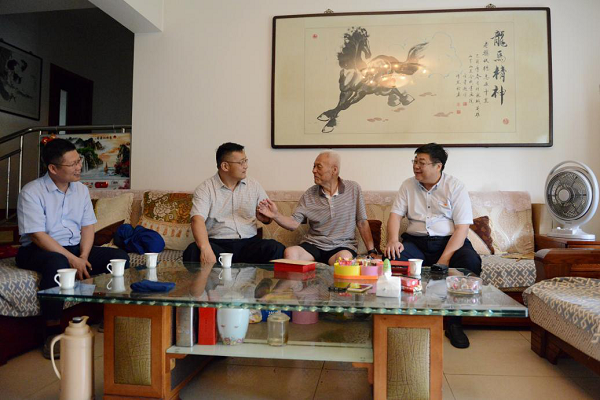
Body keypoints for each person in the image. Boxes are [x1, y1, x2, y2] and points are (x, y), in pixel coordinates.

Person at [16, 138, 129, 359]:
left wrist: (83, 255)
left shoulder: (81, 190)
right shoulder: (32, 192)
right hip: (39, 249)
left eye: (79, 160)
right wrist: (72, 259)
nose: (79, 167)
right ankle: (51, 333)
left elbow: (88, 227)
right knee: (59, 264)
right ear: (53, 168)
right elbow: (38, 236)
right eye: (73, 164)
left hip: (76, 247)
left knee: (119, 257)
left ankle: (107, 313)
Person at [384, 143, 481, 349]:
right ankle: (404, 320)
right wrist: (392, 240)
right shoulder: (407, 185)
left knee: (470, 261)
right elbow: (395, 216)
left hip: (450, 242)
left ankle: (454, 323)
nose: (416, 166)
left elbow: (462, 228)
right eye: (415, 161)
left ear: (438, 166)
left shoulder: (455, 186)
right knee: (393, 259)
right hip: (416, 242)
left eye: (422, 162)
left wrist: (444, 260)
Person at [258, 151, 378, 265]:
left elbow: (362, 222)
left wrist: (371, 251)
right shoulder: (309, 195)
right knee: (290, 252)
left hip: (342, 246)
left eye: (319, 167)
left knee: (344, 258)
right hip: (313, 245)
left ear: (334, 170)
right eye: (314, 166)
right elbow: (293, 223)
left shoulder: (353, 189)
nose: (313, 170)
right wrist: (275, 215)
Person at [183, 142, 284, 265]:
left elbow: (268, 218)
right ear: (225, 166)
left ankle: (259, 279)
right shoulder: (205, 189)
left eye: (246, 161)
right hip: (219, 245)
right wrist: (205, 249)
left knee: (276, 248)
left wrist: (266, 219)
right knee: (193, 251)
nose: (246, 166)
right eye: (241, 162)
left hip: (249, 244)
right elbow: (197, 220)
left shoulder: (253, 185)